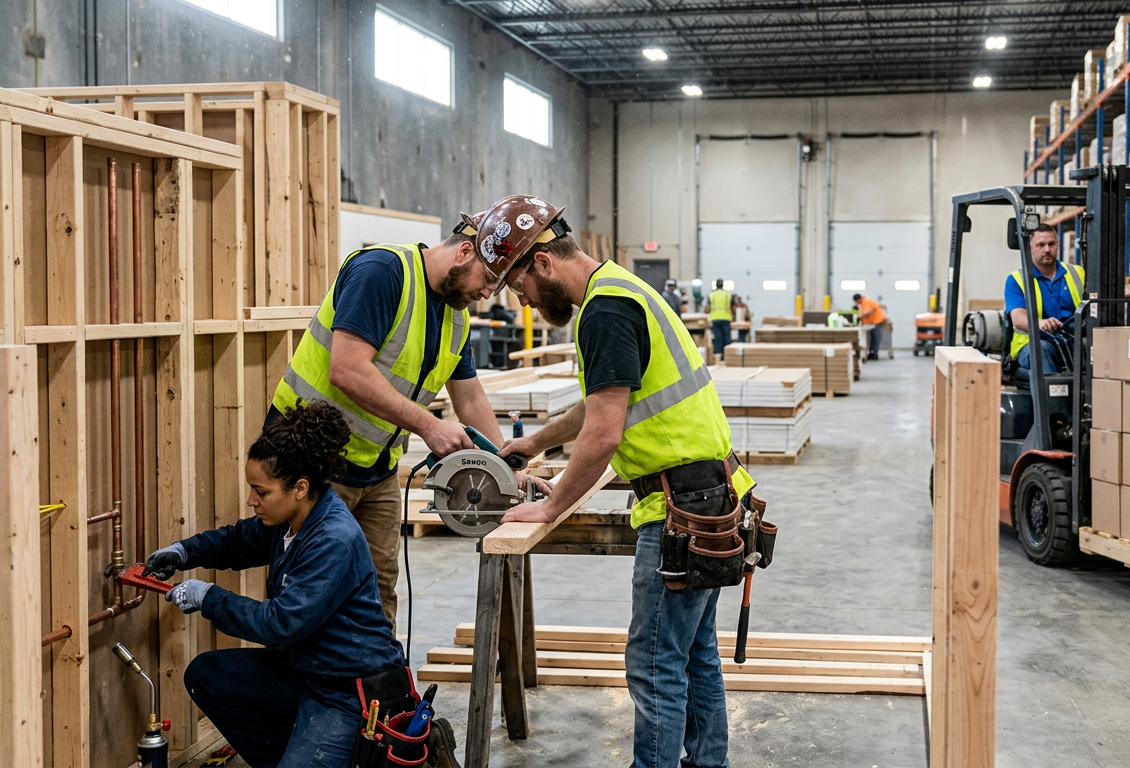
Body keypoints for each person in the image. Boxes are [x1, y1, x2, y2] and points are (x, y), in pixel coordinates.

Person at [481, 195, 757, 768]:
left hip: (681, 509)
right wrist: (536, 440)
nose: (523, 301)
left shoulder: (604, 311)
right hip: (713, 493)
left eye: (518, 287)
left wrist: (551, 505)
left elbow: (604, 434)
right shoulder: (621, 289)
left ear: (542, 263)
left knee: (654, 660)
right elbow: (604, 401)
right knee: (693, 654)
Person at [269, 210, 548, 627]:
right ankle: (307, 693)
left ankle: (378, 690)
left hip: (373, 468)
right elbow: (346, 368)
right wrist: (429, 426)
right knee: (307, 595)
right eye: (488, 280)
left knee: (378, 592)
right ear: (465, 251)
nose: (489, 294)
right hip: (308, 463)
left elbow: (469, 395)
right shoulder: (382, 272)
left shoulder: (456, 315)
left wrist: (505, 467)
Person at [142, 402, 456, 768]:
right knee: (207, 676)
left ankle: (385, 748)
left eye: (261, 491)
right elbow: (237, 541)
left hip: (349, 689)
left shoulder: (332, 539)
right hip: (306, 671)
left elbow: (280, 624)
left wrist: (208, 597)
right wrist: (183, 552)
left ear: (300, 488)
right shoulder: (291, 519)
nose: (251, 500)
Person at [1003, 222, 1086, 373]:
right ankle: (1052, 396)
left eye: (1051, 244)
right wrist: (1039, 323)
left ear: (1058, 245)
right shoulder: (1017, 279)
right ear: (1030, 248)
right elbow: (1018, 318)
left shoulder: (1077, 273)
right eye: (1041, 245)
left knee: (1095, 347)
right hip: (1033, 342)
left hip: (1071, 339)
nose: (1047, 250)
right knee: (1042, 350)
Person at [852, 293, 887, 360]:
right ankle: (871, 353)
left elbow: (868, 312)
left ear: (858, 299)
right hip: (873, 322)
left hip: (877, 321)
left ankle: (874, 354)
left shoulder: (866, 301)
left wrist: (859, 316)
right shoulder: (863, 303)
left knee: (875, 338)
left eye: (856, 302)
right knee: (873, 338)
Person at [708, 278, 736, 357]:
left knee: (717, 339)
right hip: (726, 319)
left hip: (715, 319)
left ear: (716, 286)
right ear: (723, 285)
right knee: (727, 338)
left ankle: (718, 357)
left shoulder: (712, 295)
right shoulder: (728, 295)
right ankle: (727, 357)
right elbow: (733, 308)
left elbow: (707, 308)